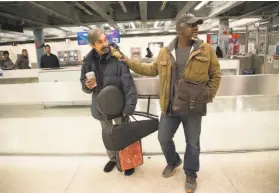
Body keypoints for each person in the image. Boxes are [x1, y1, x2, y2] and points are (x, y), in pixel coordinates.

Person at [112, 15, 221, 193]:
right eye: (191, 25)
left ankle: (191, 172)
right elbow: (151, 69)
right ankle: (173, 161)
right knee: (163, 138)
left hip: (193, 106)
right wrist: (128, 62)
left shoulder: (205, 50)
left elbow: (216, 74)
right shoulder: (165, 52)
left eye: (197, 25)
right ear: (179, 29)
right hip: (170, 106)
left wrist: (208, 95)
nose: (196, 28)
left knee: (192, 142)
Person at [80, 29, 137, 176]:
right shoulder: (87, 61)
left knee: (123, 132)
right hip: (101, 106)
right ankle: (113, 158)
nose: (105, 43)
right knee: (107, 133)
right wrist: (87, 85)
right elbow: (83, 85)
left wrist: (129, 107)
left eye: (105, 39)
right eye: (100, 42)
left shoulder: (117, 58)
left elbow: (128, 83)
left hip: (119, 104)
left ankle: (127, 160)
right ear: (93, 45)